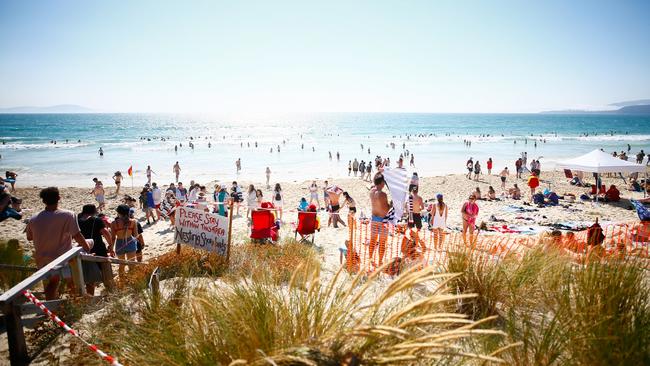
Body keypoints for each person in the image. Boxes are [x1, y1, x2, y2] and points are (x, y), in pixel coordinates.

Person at [26, 187, 92, 299]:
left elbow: (29, 237)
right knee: (71, 282)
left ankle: (51, 308)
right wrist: (87, 248)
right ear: (59, 198)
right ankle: (74, 304)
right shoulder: (68, 215)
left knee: (52, 283)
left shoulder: (34, 218)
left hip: (42, 258)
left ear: (43, 201)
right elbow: (76, 235)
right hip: (63, 257)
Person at [77, 204, 112, 295]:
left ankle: (90, 295)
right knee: (105, 269)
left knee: (89, 274)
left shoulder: (77, 221)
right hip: (98, 247)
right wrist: (111, 246)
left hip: (83, 249)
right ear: (94, 211)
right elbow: (105, 232)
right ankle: (109, 291)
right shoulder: (96, 220)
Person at [110, 204, 139, 276]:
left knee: (121, 265)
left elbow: (113, 238)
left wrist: (111, 249)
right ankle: (133, 281)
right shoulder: (133, 221)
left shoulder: (114, 223)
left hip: (119, 244)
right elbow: (136, 236)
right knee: (132, 264)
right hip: (130, 242)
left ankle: (122, 282)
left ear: (119, 213)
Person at [369, 173, 391, 267]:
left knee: (373, 241)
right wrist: (391, 205)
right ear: (382, 182)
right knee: (382, 243)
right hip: (382, 221)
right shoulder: (382, 194)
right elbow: (386, 209)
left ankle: (370, 259)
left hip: (374, 219)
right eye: (384, 182)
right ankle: (380, 261)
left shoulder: (371, 192)